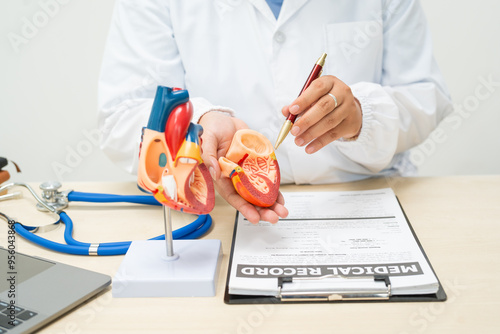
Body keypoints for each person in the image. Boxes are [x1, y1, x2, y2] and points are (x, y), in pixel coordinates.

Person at [98, 0, 453, 224]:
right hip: (220, 214)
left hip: (364, 200)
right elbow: (123, 115)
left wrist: (362, 115)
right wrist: (202, 123)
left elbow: (426, 96)